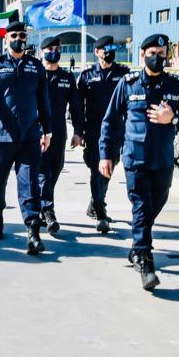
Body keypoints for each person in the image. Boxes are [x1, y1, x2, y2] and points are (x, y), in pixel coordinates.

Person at [100, 34, 179, 290]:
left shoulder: (176, 86)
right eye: (152, 53)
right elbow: (110, 121)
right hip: (136, 159)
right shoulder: (128, 84)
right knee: (141, 207)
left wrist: (172, 119)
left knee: (156, 203)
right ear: (142, 55)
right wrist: (105, 155)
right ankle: (145, 261)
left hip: (162, 159)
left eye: (161, 54)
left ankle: (137, 245)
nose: (157, 58)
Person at [0, 21, 52, 255]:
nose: (19, 39)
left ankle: (33, 232)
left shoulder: (35, 66)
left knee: (30, 184)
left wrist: (47, 131)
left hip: (29, 136)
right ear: (6, 39)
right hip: (1, 137)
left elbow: (43, 101)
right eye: (15, 35)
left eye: (22, 35)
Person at [77, 35, 129, 233]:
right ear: (97, 52)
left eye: (112, 48)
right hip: (93, 131)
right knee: (96, 170)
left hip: (116, 131)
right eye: (105, 49)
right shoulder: (87, 76)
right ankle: (100, 212)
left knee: (108, 169)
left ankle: (95, 202)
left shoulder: (123, 74)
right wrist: (78, 131)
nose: (109, 52)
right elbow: (78, 107)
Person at [37, 36, 83, 234]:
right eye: (50, 49)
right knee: (43, 173)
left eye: (57, 48)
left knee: (54, 171)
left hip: (58, 134)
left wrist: (78, 132)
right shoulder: (35, 75)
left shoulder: (66, 77)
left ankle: (41, 207)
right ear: (42, 53)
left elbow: (76, 107)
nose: (54, 52)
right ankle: (48, 211)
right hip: (37, 134)